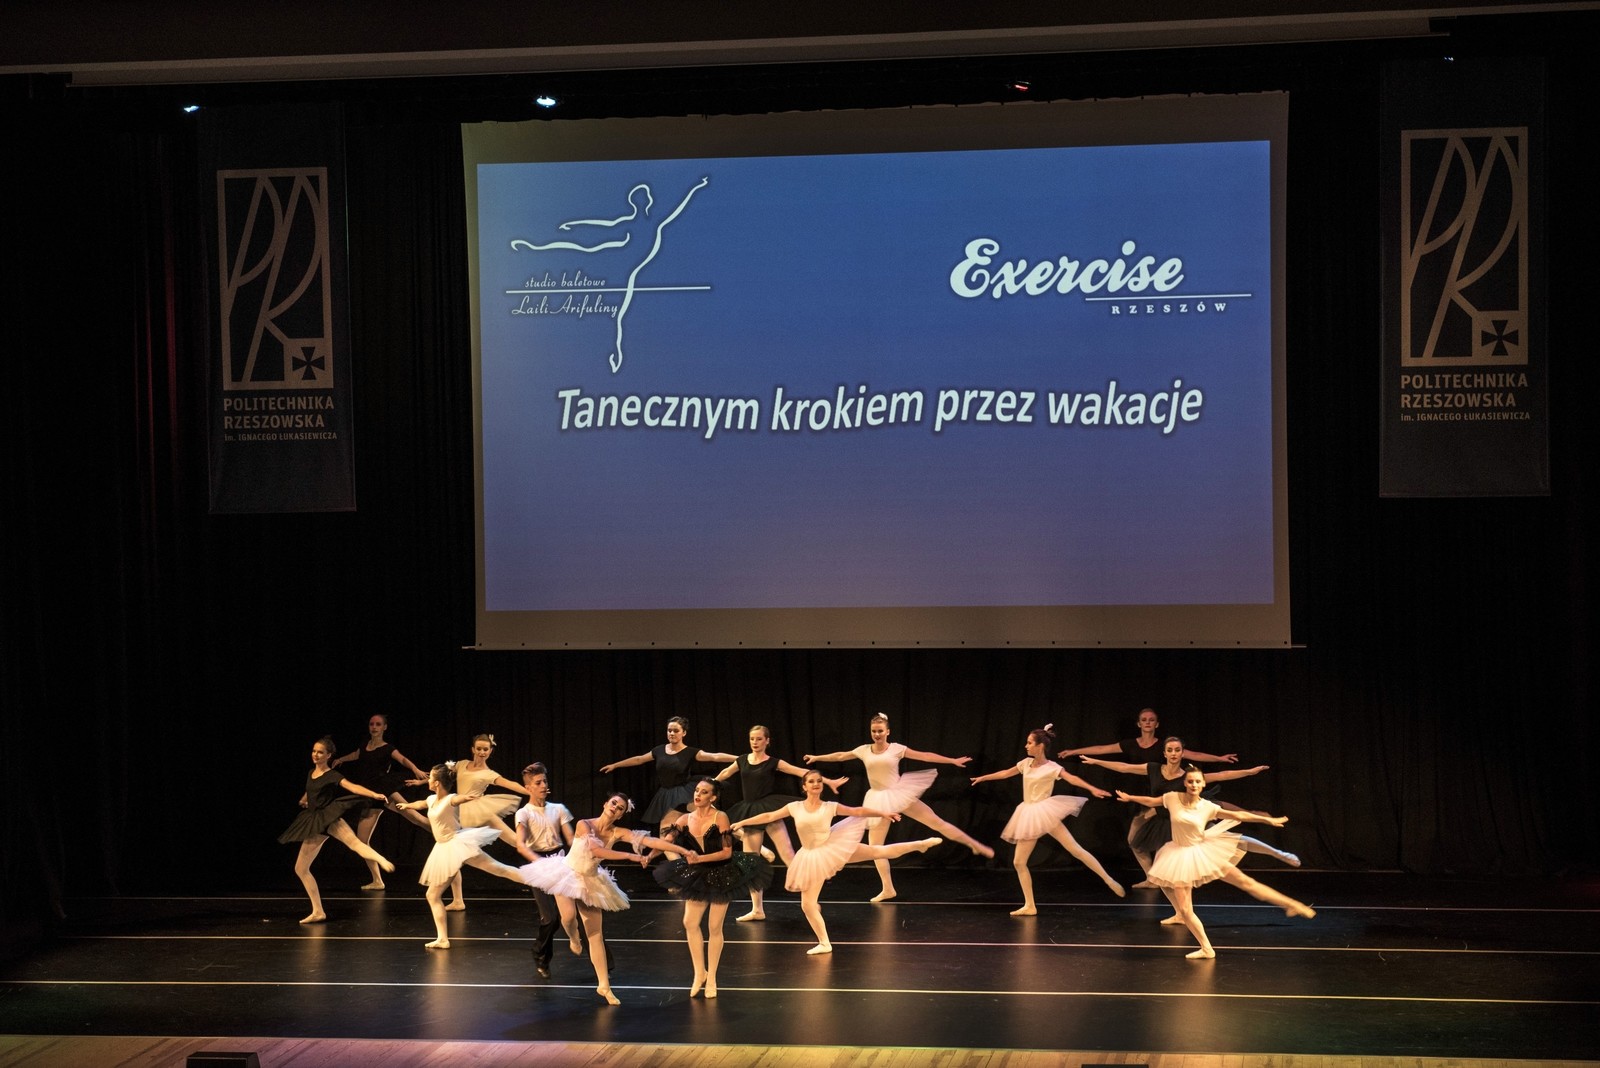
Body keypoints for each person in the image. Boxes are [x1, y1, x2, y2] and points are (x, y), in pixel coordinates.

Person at [730, 769, 940, 956]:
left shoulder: (830, 806)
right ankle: (824, 943)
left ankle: (920, 844)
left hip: (833, 845)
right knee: (808, 905)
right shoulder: (794, 807)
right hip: (812, 856)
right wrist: (743, 822)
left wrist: (884, 813)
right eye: (811, 781)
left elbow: (858, 811)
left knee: (877, 851)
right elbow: (769, 815)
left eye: (819, 781)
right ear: (804, 787)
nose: (816, 784)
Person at [1116, 766, 1315, 959]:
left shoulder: (1208, 807)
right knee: (1185, 909)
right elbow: (1152, 801)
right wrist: (1130, 798)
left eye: (1197, 782)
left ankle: (1292, 905)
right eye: (1190, 781)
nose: (1194, 785)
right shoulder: (1172, 798)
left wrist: (1266, 820)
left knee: (1246, 882)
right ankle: (1206, 948)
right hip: (1178, 855)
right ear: (1185, 783)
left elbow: (1238, 815)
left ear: (1203, 784)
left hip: (1203, 852)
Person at [520, 792, 692, 1005]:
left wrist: (683, 850)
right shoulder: (584, 824)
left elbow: (652, 841)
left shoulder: (618, 832)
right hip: (566, 874)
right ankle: (573, 937)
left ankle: (604, 985)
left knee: (595, 935)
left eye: (620, 808)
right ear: (605, 804)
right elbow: (595, 850)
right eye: (613, 803)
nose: (615, 808)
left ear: (621, 815)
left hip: (590, 881)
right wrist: (629, 855)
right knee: (568, 917)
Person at [805, 713, 994, 902]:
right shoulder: (864, 750)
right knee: (876, 848)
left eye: (880, 731)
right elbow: (840, 756)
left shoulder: (896, 749)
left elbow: (925, 756)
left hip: (899, 793)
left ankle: (975, 844)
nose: (877, 734)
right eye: (874, 731)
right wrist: (817, 757)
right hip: (878, 800)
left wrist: (951, 760)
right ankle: (888, 889)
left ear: (888, 732)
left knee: (937, 822)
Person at [1080, 736, 1298, 897]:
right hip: (1164, 818)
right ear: (1164, 753)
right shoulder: (1153, 768)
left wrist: (1249, 772)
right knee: (1150, 852)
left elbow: (1221, 775)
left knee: (1232, 840)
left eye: (1177, 750)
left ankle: (1278, 853)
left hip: (1190, 819)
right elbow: (1124, 767)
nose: (1174, 753)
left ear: (1182, 753)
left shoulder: (1188, 776)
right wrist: (1098, 762)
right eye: (1170, 750)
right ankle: (1163, 892)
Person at [1058, 709, 1239, 889]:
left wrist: (1219, 759)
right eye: (1144, 720)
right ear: (1139, 723)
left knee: (1198, 820)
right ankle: (1153, 878)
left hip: (1167, 796)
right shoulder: (1131, 745)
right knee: (1134, 841)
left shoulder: (1166, 747)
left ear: (1156, 724)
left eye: (1151, 720)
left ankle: (1176, 875)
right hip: (1142, 798)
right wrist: (1077, 752)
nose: (1147, 723)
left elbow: (1195, 755)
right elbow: (1106, 752)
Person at [968, 724, 1124, 915]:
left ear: (1040, 746)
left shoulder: (1052, 768)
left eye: (1029, 743)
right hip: (1028, 813)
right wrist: (984, 778)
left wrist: (1092, 788)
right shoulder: (1025, 763)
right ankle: (1030, 905)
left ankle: (1108, 880)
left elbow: (1071, 778)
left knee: (1075, 849)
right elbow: (1006, 773)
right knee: (1019, 862)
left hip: (1045, 811)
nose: (1026, 746)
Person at [393, 762, 535, 950]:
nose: (428, 780)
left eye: (431, 778)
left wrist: (468, 797)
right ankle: (443, 937)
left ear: (437, 783)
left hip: (457, 844)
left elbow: (458, 799)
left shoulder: (450, 799)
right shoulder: (431, 799)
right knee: (434, 894)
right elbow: (421, 804)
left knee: (498, 870)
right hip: (445, 849)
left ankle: (539, 879)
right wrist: (407, 805)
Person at [653, 778, 772, 997]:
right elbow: (666, 841)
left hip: (721, 873)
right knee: (689, 922)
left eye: (704, 792)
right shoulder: (684, 819)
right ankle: (700, 973)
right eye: (697, 790)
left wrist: (698, 859)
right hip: (698, 874)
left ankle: (712, 978)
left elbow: (726, 853)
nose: (698, 794)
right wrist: (649, 854)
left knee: (714, 927)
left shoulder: (720, 817)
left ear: (713, 797)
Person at [714, 725, 845, 922]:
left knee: (788, 854)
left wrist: (828, 781)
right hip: (749, 810)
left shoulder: (773, 762)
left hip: (770, 810)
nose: (755, 742)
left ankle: (810, 899)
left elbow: (801, 772)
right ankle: (757, 909)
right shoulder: (742, 760)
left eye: (759, 739)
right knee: (751, 863)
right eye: (752, 739)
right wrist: (710, 784)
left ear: (767, 741)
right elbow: (725, 772)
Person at [276, 736, 396, 925]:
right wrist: (304, 799)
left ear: (329, 755)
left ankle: (381, 859)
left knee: (355, 843)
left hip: (328, 816)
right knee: (301, 868)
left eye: (320, 752)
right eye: (314, 751)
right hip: (314, 821)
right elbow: (311, 789)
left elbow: (353, 787)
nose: (316, 755)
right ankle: (318, 911)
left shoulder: (332, 775)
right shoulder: (311, 772)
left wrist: (374, 794)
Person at [330, 713, 432, 891]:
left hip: (385, 790)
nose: (374, 727)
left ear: (384, 727)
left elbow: (402, 759)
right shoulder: (365, 744)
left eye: (378, 724)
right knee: (362, 841)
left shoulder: (387, 748)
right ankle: (377, 880)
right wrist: (341, 759)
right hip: (370, 795)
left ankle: (447, 835)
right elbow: (357, 754)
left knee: (415, 818)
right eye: (372, 724)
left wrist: (415, 769)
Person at [599, 716, 736, 836]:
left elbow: (714, 756)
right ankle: (676, 857)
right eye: (669, 730)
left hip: (685, 793)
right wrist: (615, 765)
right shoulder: (659, 750)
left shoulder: (690, 752)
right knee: (665, 835)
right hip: (666, 795)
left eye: (676, 731)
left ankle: (729, 833)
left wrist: (740, 759)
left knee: (705, 821)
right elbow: (639, 759)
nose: (671, 733)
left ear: (684, 733)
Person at [513, 762, 575, 978]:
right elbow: (520, 845)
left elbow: (571, 839)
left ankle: (604, 962)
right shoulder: (524, 813)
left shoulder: (558, 808)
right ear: (528, 787)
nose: (543, 785)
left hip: (560, 861)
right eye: (538, 782)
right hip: (538, 864)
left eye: (545, 781)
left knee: (577, 914)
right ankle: (540, 955)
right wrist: (539, 862)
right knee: (550, 919)